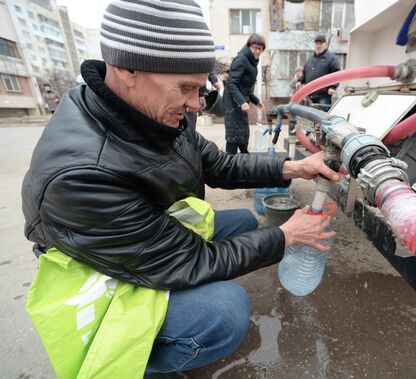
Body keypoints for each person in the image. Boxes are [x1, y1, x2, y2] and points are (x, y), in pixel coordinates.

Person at [21, 1, 341, 376]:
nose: (196, 104)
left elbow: (218, 165)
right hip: (101, 270)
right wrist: (286, 237)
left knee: (241, 221)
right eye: (185, 88)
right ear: (127, 68)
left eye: (200, 86)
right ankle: (147, 367)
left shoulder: (156, 110)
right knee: (225, 311)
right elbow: (192, 261)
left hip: (146, 233)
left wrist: (295, 167)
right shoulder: (81, 175)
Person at [223, 33, 265, 154]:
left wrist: (256, 101)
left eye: (260, 49)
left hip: (240, 103)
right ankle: (229, 165)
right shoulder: (242, 59)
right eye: (254, 48)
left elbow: (245, 88)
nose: (257, 51)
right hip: (232, 103)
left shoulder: (252, 62)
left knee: (242, 135)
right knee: (233, 137)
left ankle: (243, 161)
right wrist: (242, 101)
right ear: (249, 46)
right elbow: (231, 83)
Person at [295, 35, 341, 107]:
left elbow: (336, 74)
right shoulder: (310, 59)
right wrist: (300, 81)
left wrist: (333, 87)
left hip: (324, 95)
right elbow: (304, 74)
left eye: (320, 44)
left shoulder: (331, 58)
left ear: (325, 45)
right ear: (314, 45)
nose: (318, 46)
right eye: (316, 44)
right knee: (310, 117)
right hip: (310, 95)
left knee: (322, 116)